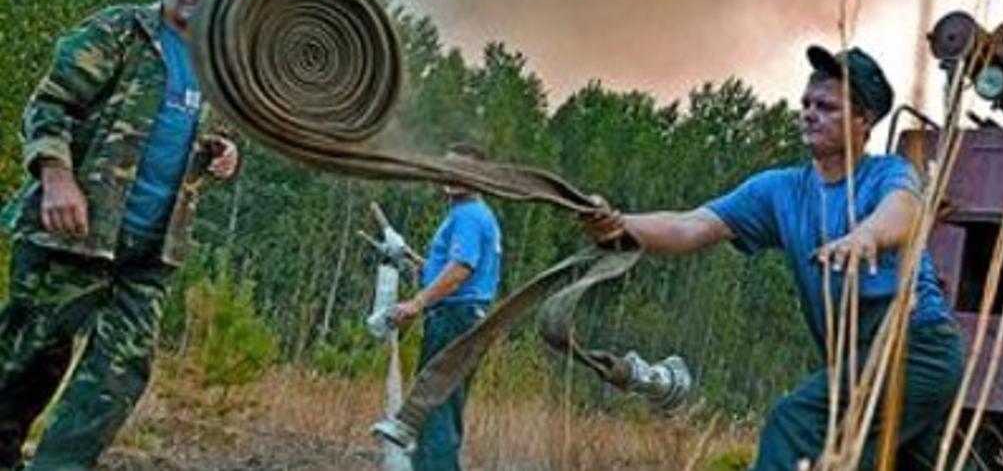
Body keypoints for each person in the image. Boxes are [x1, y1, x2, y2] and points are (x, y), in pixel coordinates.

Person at [584, 45, 964, 471]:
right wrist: (620, 224)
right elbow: (690, 227)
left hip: (916, 352)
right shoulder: (779, 191)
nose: (809, 113)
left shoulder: (887, 174)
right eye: (805, 103)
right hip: (861, 364)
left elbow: (906, 211)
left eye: (826, 106)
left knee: (794, 426)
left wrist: (864, 237)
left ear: (864, 120)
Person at [0, 0, 240, 470]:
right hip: (74, 228)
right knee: (28, 359)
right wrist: (57, 178)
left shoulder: (216, 67)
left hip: (152, 248)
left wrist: (223, 155)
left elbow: (203, 134)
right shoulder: (120, 31)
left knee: (120, 371)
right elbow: (51, 104)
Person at [389, 142, 503, 471]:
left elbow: (460, 271)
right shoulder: (473, 215)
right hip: (463, 317)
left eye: (463, 171)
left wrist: (417, 303)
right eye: (448, 167)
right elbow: (454, 270)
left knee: (434, 407)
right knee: (442, 406)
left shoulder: (468, 215)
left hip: (454, 318)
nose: (451, 176)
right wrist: (411, 258)